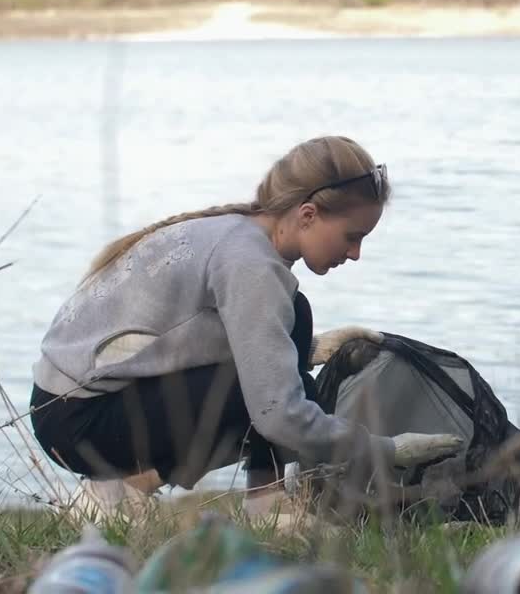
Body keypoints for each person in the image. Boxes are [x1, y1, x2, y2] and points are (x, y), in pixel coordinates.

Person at [29, 135, 463, 523]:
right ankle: (257, 506)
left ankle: (225, 498)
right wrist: (388, 450)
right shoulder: (251, 265)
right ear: (308, 214)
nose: (355, 253)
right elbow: (279, 413)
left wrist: (311, 348)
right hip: (79, 422)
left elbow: (192, 337)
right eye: (352, 236)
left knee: (296, 317)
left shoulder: (243, 236)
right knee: (276, 396)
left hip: (69, 406)